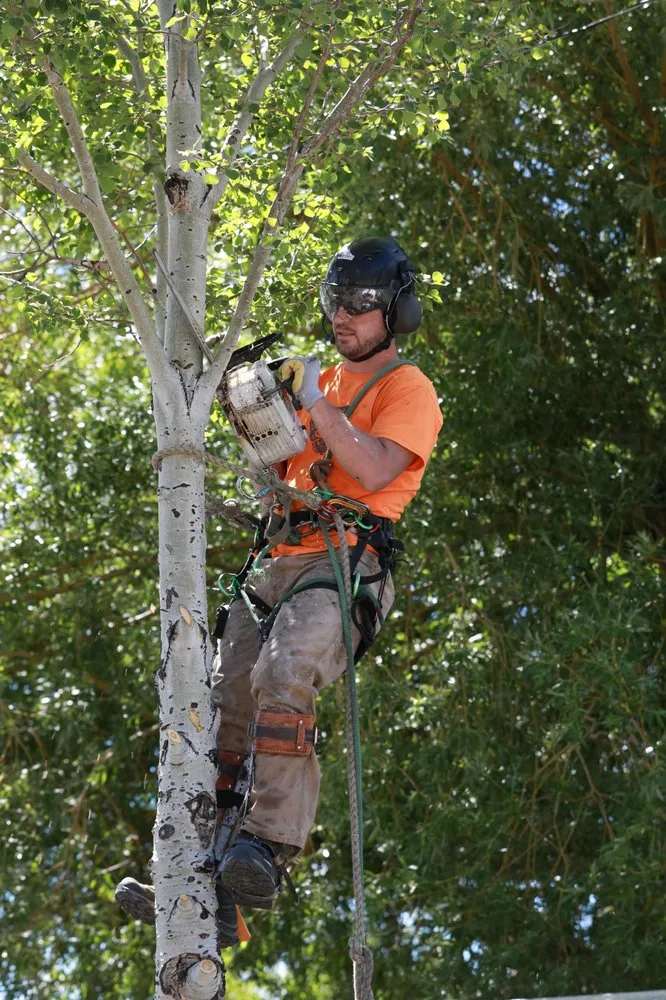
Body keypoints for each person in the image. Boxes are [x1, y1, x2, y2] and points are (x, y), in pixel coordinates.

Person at [211, 235, 443, 912]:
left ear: (396, 312)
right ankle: (206, 879)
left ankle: (269, 844)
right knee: (227, 699)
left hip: (345, 562)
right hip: (279, 558)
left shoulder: (407, 387)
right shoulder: (318, 388)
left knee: (284, 676)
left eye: (363, 305)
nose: (344, 316)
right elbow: (274, 483)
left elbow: (372, 470)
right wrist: (251, 417)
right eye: (337, 301)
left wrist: (317, 400)